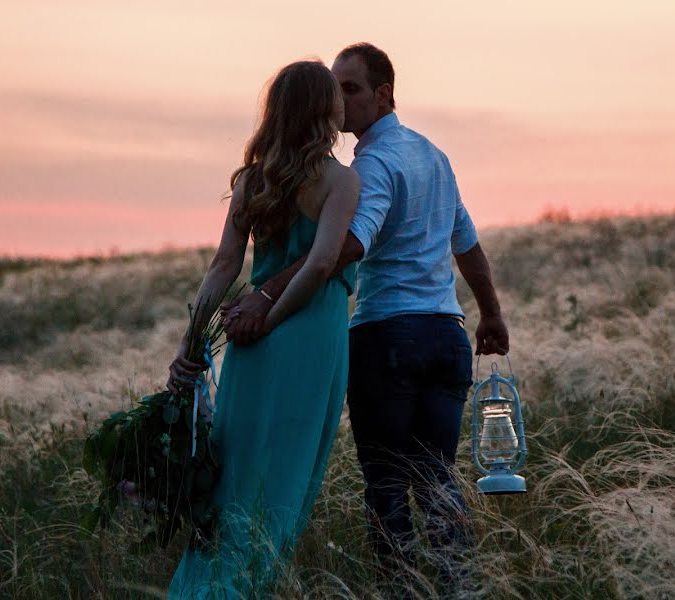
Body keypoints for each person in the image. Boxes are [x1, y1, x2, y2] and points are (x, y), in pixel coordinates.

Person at [222, 43, 509, 595]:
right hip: (446, 337)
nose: (338, 100)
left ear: (384, 95)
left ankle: (401, 590)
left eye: (350, 89)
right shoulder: (433, 155)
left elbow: (348, 246)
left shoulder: (371, 165)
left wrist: (265, 292)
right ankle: (459, 587)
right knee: (437, 476)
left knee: (385, 484)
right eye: (334, 89)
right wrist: (490, 313)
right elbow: (466, 245)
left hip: (388, 337)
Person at [165, 60, 360, 598]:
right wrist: (270, 318)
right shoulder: (341, 181)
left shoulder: (254, 180)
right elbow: (322, 265)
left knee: (235, 476)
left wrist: (193, 340)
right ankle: (245, 588)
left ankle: (202, 589)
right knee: (287, 479)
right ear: (325, 111)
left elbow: (224, 266)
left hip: (251, 345)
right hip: (311, 333)